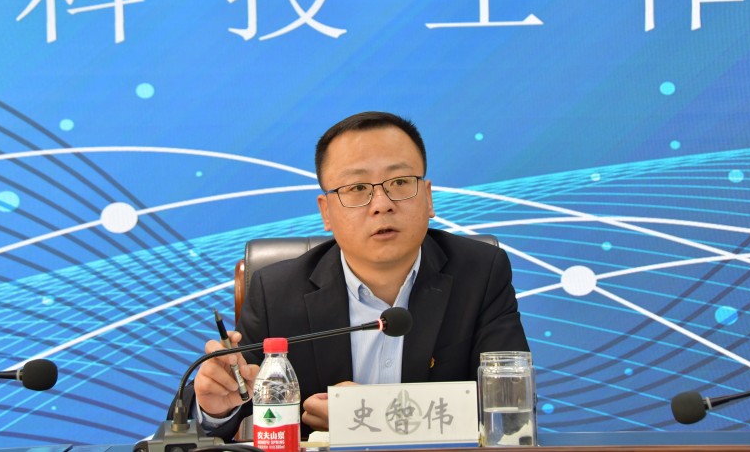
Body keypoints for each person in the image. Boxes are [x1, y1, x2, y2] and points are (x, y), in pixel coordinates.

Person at [187, 111, 529, 439]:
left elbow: (510, 408)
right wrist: (215, 408)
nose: (381, 204)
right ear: (326, 212)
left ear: (428, 198)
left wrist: (367, 415)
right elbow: (233, 401)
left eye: (399, 182)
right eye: (357, 188)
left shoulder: (480, 273)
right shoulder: (276, 293)